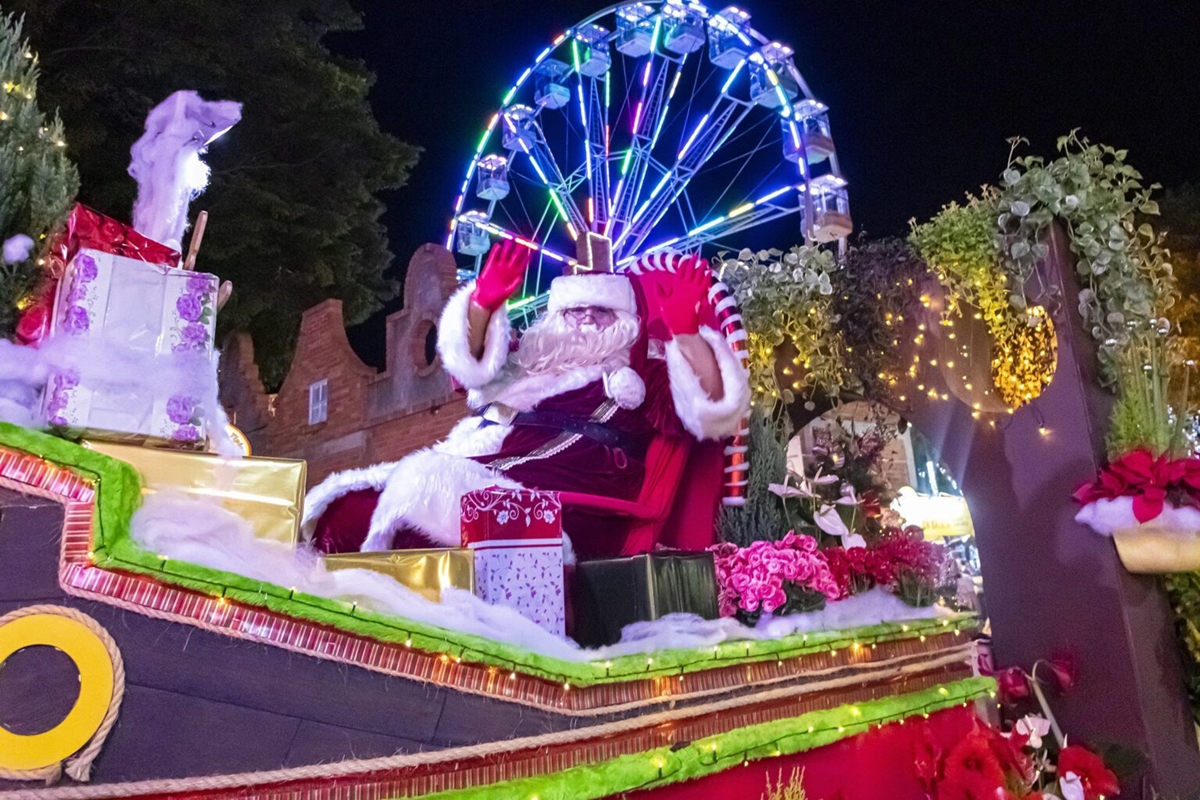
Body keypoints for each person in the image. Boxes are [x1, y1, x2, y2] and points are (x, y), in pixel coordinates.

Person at [302, 240, 750, 554]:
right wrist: (482, 304)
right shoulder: (528, 365)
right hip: (489, 475)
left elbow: (710, 408)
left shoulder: (639, 378)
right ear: (554, 319)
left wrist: (687, 335)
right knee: (345, 505)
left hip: (570, 505)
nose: (587, 322)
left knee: (401, 514)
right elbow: (472, 366)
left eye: (602, 312)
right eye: (575, 311)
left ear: (625, 323)